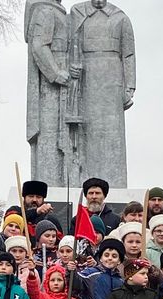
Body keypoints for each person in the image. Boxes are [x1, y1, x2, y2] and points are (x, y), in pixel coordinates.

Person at [69, 0, 136, 188]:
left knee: (112, 136)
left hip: (112, 79)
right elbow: (68, 45)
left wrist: (129, 86)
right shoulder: (77, 12)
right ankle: (85, 185)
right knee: (86, 135)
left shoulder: (120, 17)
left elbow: (128, 54)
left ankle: (114, 185)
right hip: (85, 79)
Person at [24, 0, 69, 185]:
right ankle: (50, 184)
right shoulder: (45, 10)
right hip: (50, 90)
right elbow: (39, 46)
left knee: (62, 139)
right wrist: (56, 73)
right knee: (50, 137)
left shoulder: (56, 11)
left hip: (63, 85)